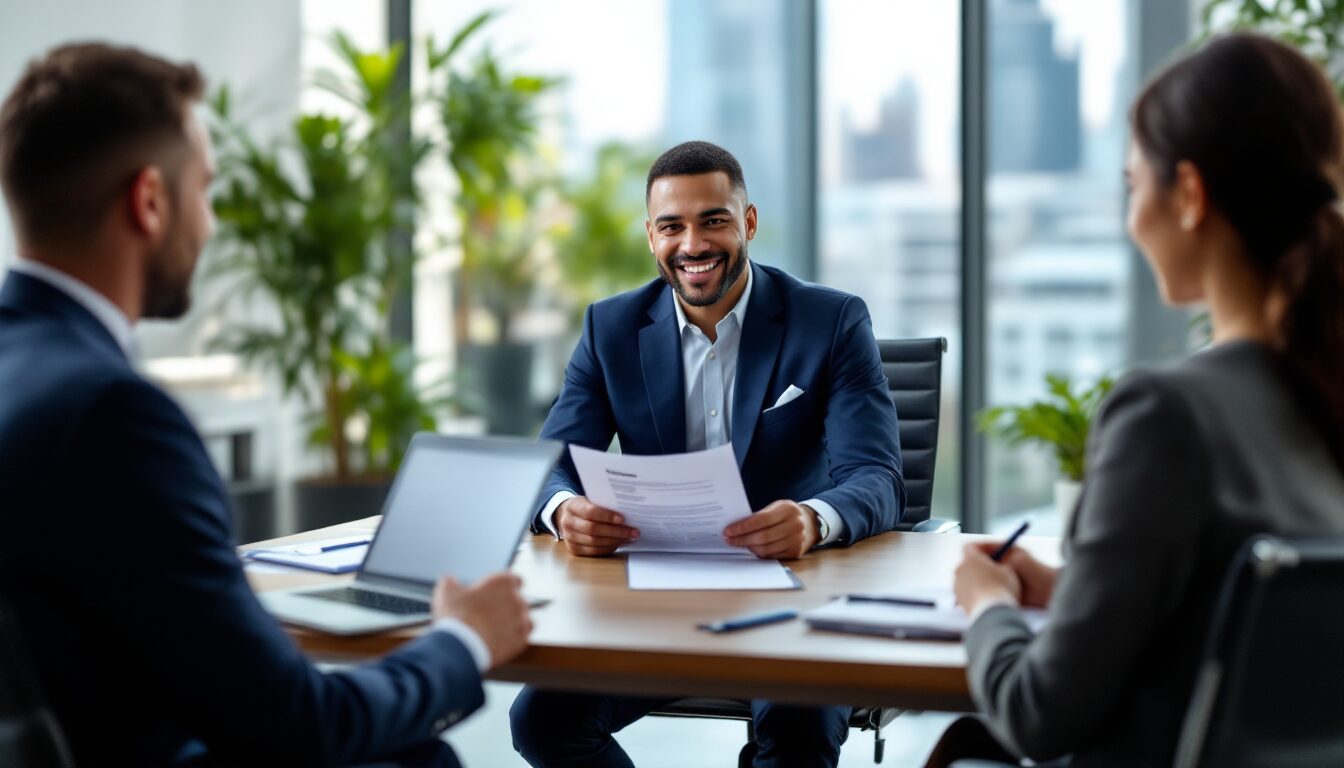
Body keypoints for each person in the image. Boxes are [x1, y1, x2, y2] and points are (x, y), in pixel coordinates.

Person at [0, 43, 533, 766]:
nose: (212, 223)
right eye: (206, 190)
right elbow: (302, 726)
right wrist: (464, 639)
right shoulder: (114, 415)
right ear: (150, 201)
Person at [939, 33, 1344, 768]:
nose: (1132, 219)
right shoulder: (1321, 397)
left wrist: (986, 602)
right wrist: (1076, 591)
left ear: (1188, 195)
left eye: (1133, 185)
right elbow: (1249, 625)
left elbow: (1037, 715)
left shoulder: (1167, 415)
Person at [508, 141, 905, 767]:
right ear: (651, 236)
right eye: (672, 226)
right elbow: (548, 464)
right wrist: (562, 509)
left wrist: (811, 519)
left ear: (747, 222)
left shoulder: (830, 322)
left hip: (793, 599)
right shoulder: (608, 330)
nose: (693, 244)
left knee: (796, 738)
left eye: (713, 220)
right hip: (656, 599)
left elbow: (877, 477)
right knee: (542, 721)